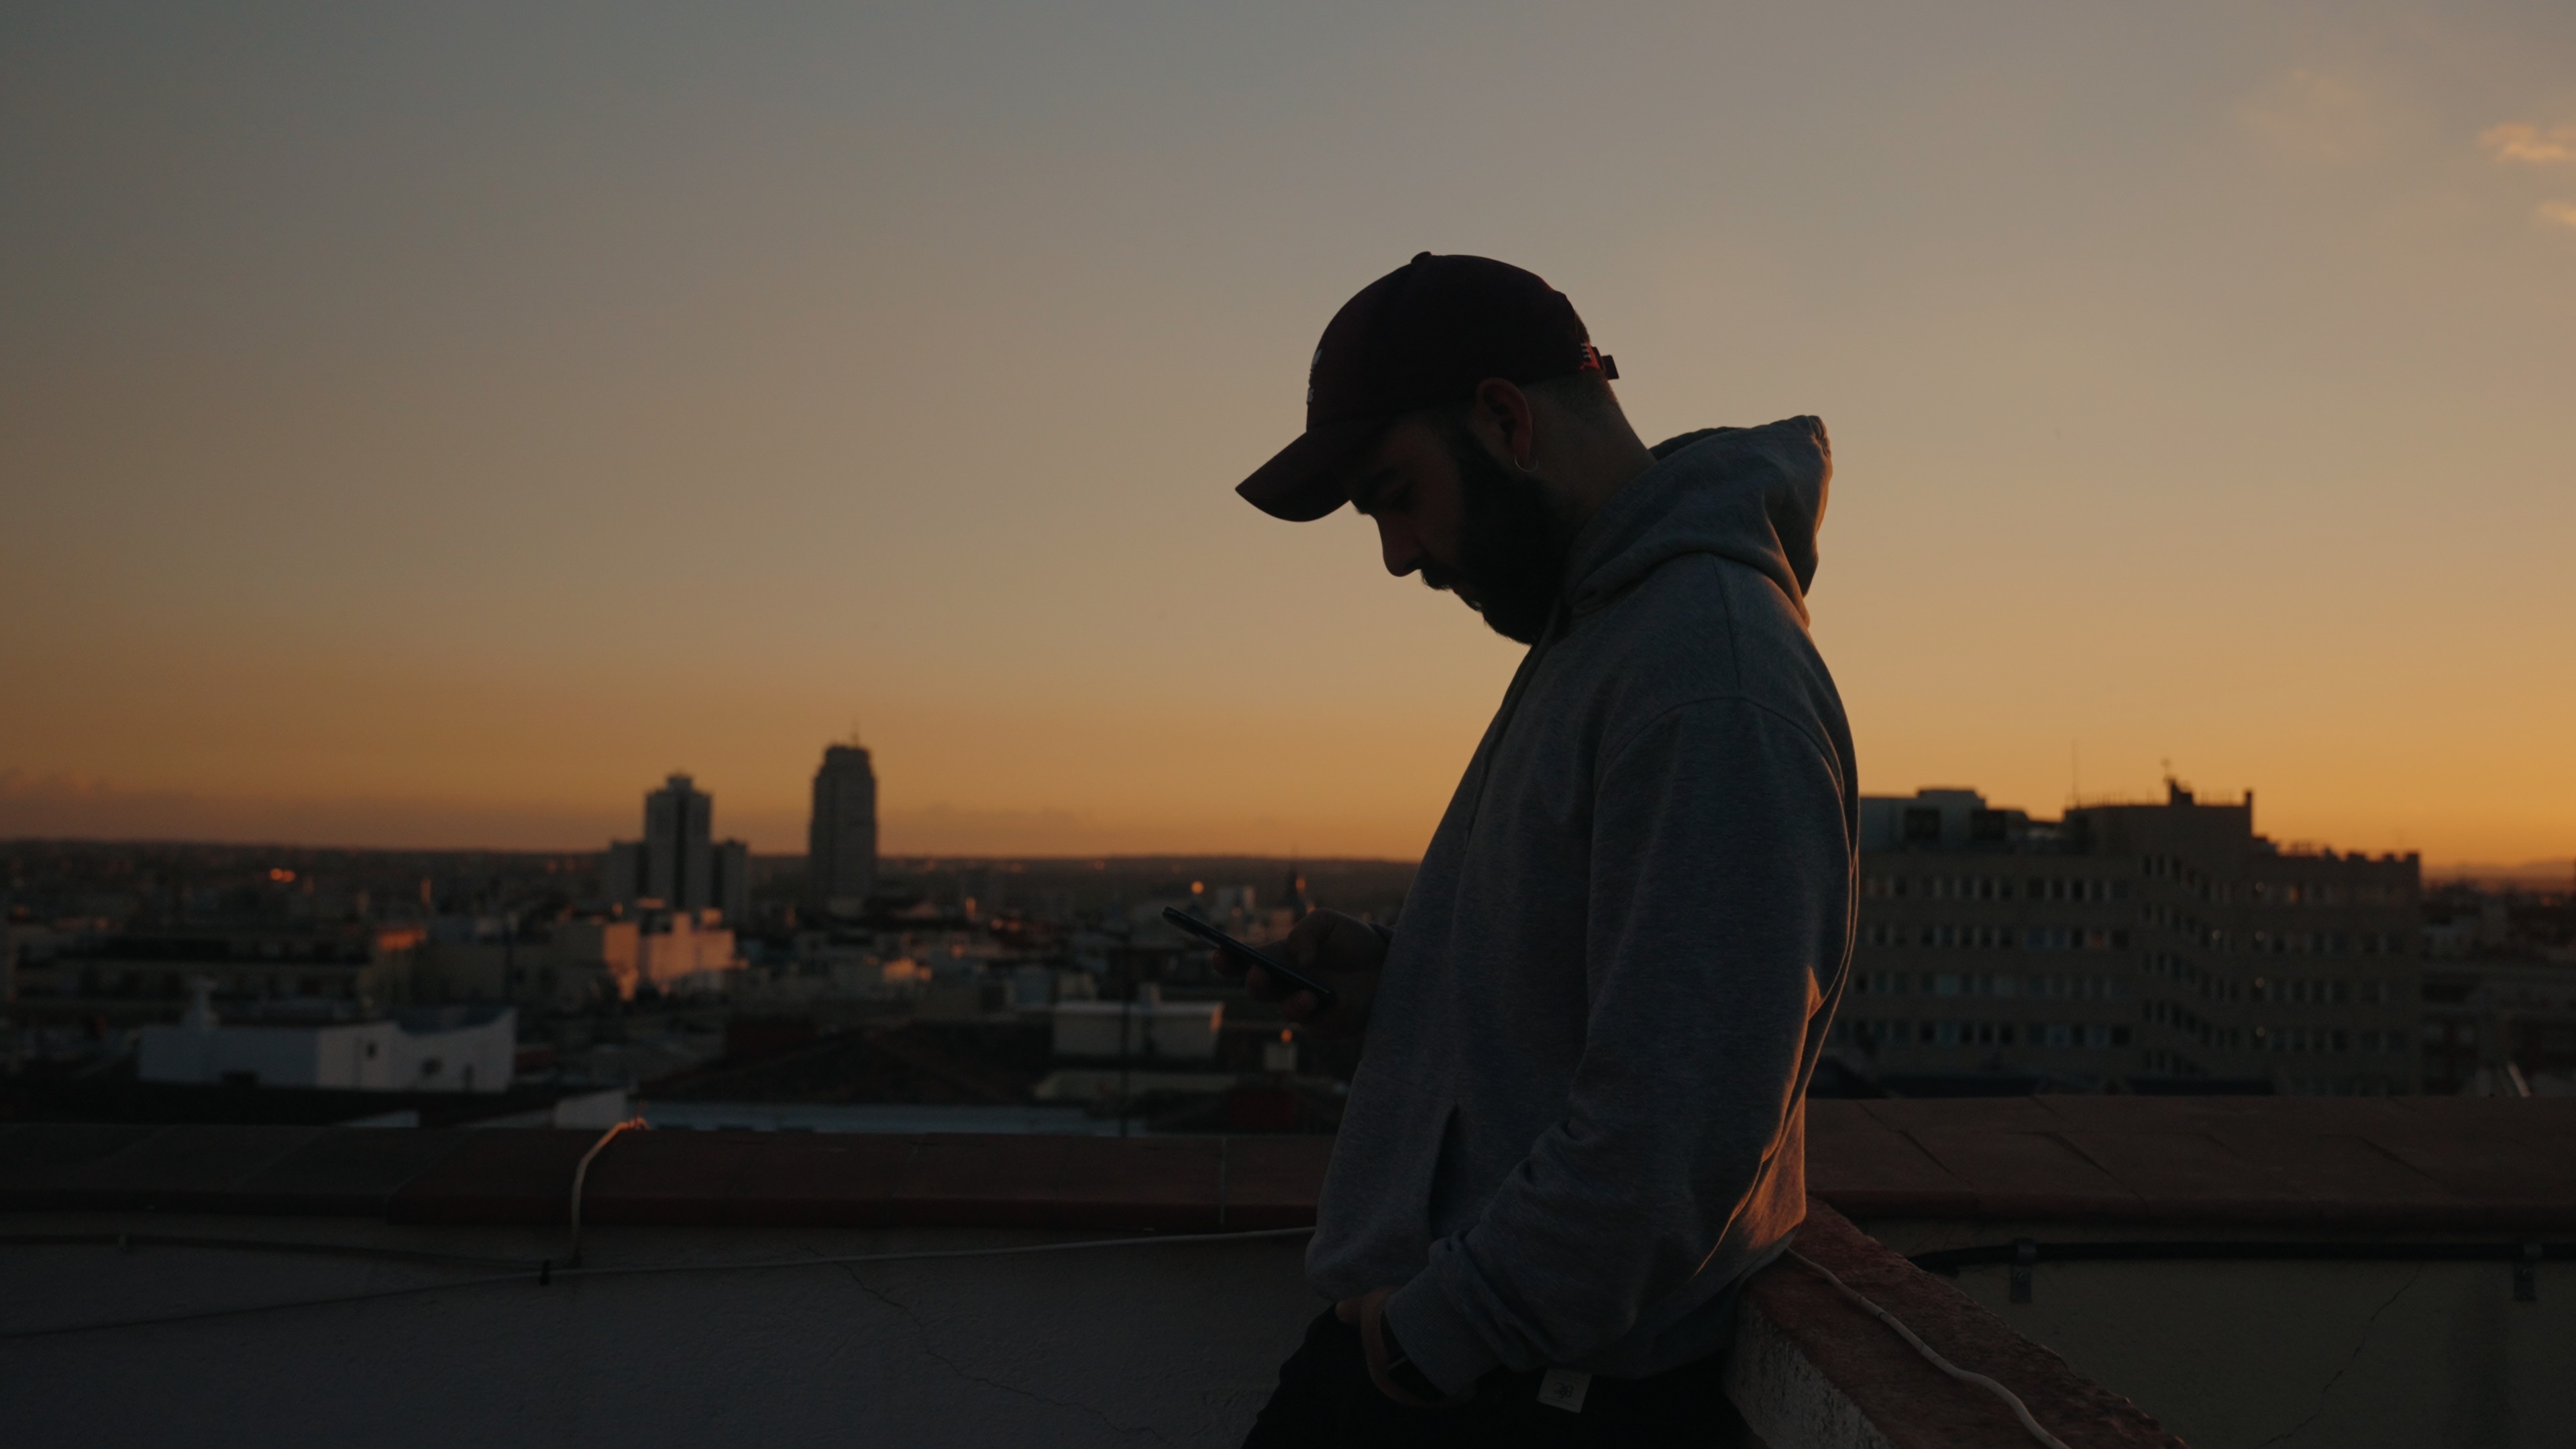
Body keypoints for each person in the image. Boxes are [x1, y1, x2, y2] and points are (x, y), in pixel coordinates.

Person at [1226, 254, 1857, 1446]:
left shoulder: (1703, 675)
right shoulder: (1609, 635)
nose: (1398, 555)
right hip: (1476, 1365)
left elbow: (1677, 1126)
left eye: (1394, 495)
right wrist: (1400, 981)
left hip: (1511, 1393)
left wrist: (1431, 1340)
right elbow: (1599, 994)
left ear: (1506, 421)